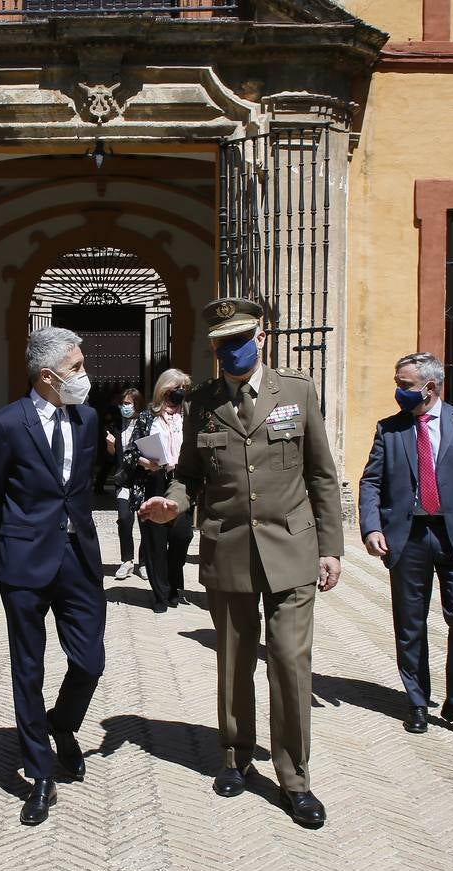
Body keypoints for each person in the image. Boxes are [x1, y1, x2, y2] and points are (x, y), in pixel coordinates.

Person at [140, 297, 342, 829]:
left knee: (290, 663)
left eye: (238, 340)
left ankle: (295, 778)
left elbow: (321, 474)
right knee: (233, 660)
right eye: (221, 344)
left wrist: (331, 547)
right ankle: (234, 755)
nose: (230, 351)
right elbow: (188, 475)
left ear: (261, 338)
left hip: (292, 548)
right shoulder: (202, 403)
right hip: (228, 545)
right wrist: (173, 503)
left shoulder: (297, 392)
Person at [0, 327, 106, 826]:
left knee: (90, 660)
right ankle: (39, 771)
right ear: (49, 376)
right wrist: (11, 546)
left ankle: (62, 723)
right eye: (76, 367)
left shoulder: (88, 419)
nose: (85, 375)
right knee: (28, 670)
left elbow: (80, 486)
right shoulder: (7, 424)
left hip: (79, 560)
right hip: (26, 565)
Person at [357, 352, 453, 742]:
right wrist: (371, 527)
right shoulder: (389, 430)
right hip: (407, 536)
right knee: (410, 623)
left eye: (405, 385)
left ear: (431, 386)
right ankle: (417, 701)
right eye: (397, 382)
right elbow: (370, 481)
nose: (398, 391)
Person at [125, 369, 194, 612]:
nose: (180, 393)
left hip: (181, 482)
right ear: (164, 389)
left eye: (184, 388)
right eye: (176, 388)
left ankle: (175, 584)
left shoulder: (189, 416)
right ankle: (161, 594)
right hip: (153, 480)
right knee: (155, 540)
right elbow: (131, 452)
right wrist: (147, 463)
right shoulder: (146, 417)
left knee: (182, 535)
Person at [107, 387, 147, 581]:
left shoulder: (146, 423)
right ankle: (127, 561)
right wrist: (110, 445)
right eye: (123, 403)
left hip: (142, 480)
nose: (125, 407)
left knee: (145, 521)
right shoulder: (116, 425)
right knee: (124, 519)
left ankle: (144, 562)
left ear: (137, 404)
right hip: (123, 480)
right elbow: (114, 456)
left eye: (128, 403)